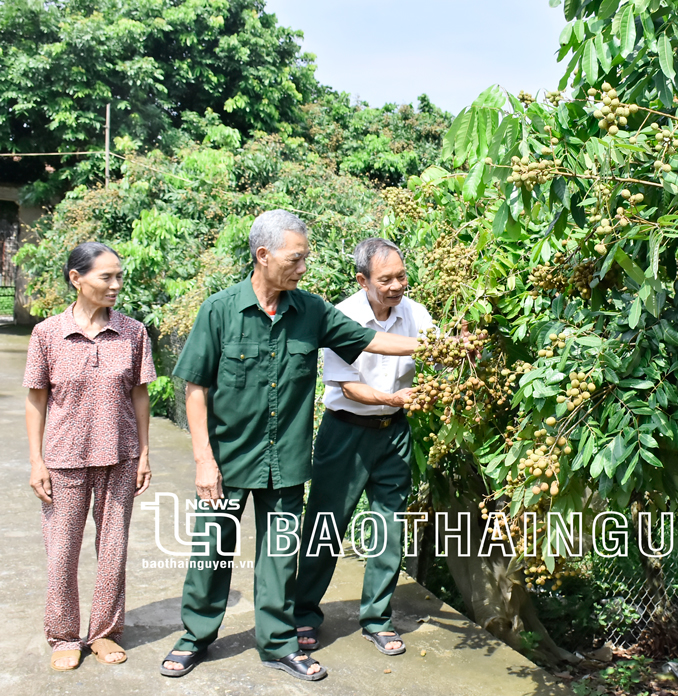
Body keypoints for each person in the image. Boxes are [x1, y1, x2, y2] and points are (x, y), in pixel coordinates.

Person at [159, 211, 420, 682]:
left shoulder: (312, 311)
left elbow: (370, 341)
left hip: (287, 462)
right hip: (228, 457)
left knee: (279, 559)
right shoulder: (219, 310)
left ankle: (278, 644)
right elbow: (194, 388)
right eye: (295, 258)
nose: (303, 268)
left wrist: (434, 346)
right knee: (211, 552)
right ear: (263, 256)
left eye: (305, 259)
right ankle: (195, 636)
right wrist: (203, 459)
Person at [295, 238, 433, 656]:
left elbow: (441, 352)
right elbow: (347, 386)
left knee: (390, 527)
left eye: (402, 277)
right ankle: (303, 614)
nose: (396, 286)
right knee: (326, 525)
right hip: (346, 433)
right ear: (363, 280)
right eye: (386, 279)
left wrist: (463, 350)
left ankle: (377, 618)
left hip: (394, 434)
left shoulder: (416, 313)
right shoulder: (343, 316)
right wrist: (391, 398)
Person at [24, 242, 155, 671]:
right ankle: (63, 634)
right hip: (64, 458)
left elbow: (140, 395)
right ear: (76, 279)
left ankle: (103, 632)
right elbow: (36, 401)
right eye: (106, 277)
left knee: (113, 547)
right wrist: (36, 460)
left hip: (120, 455)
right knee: (62, 550)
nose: (116, 285)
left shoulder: (133, 332)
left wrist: (144, 453)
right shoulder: (47, 333)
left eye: (119, 276)